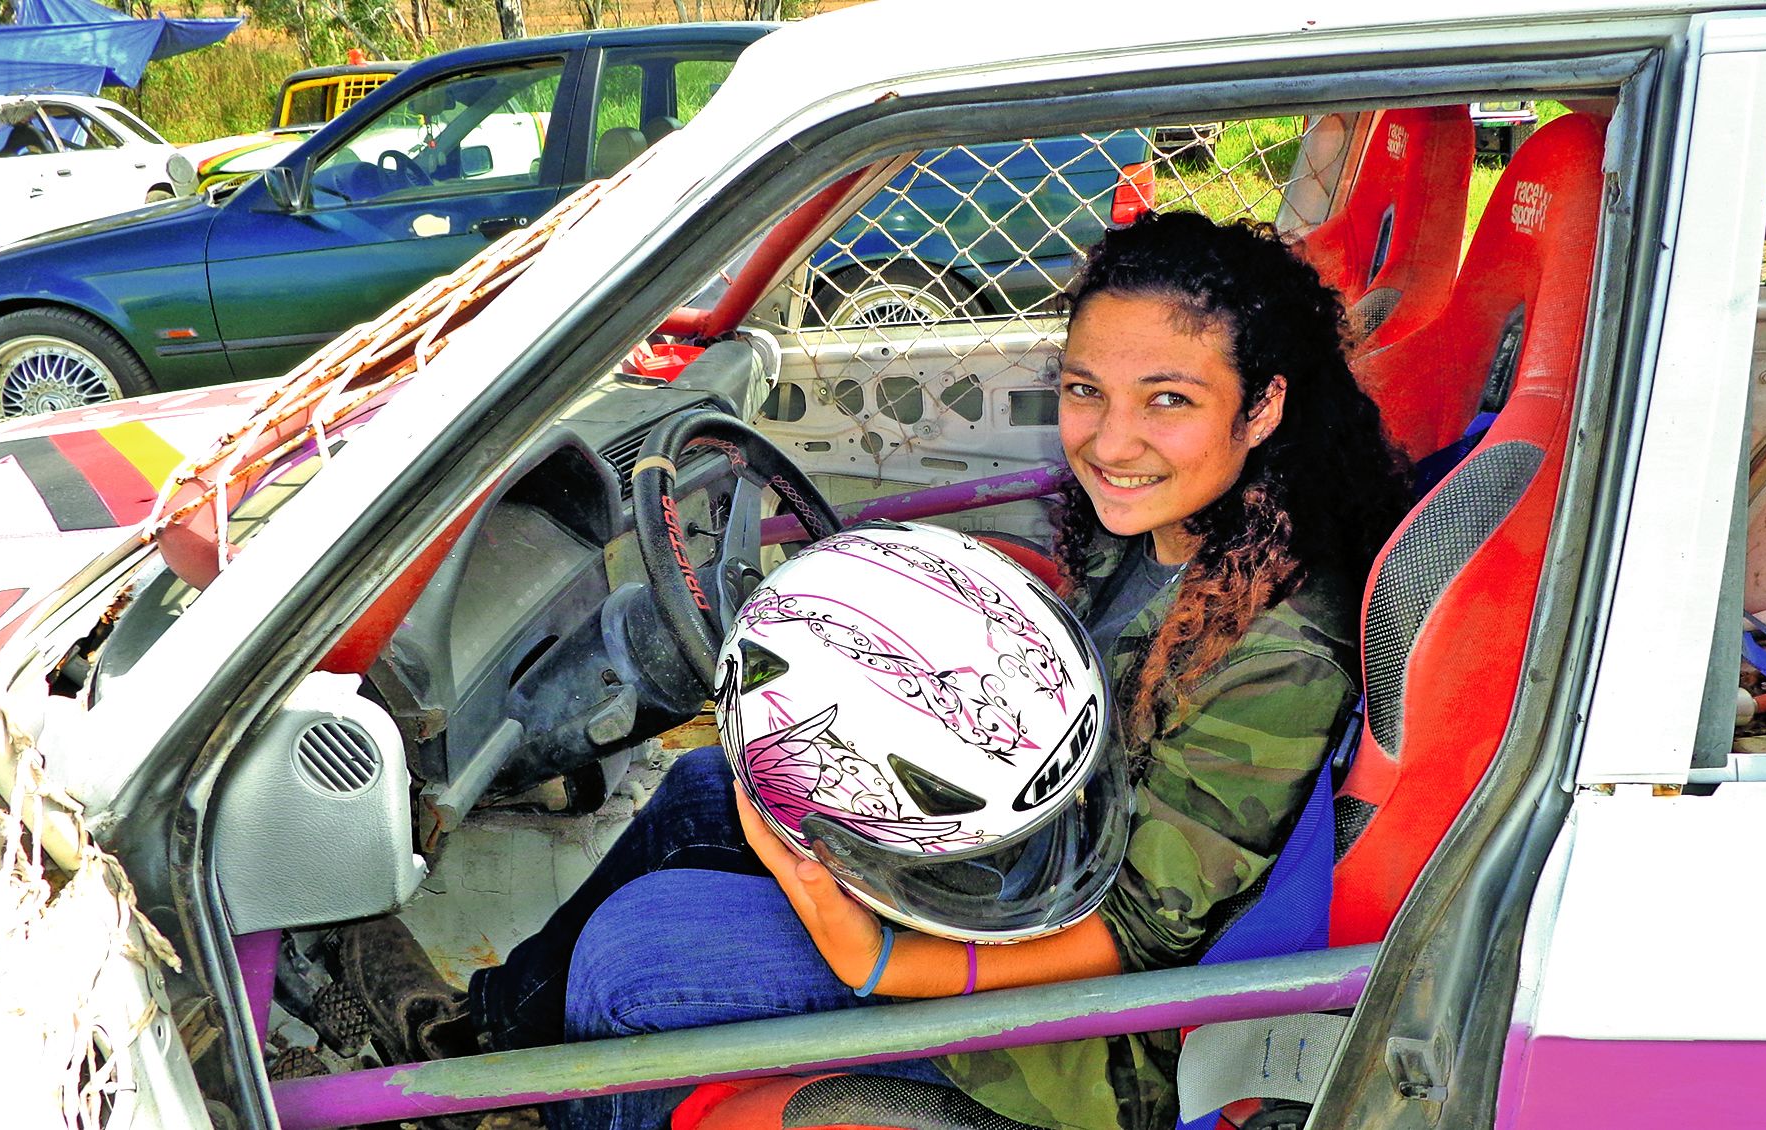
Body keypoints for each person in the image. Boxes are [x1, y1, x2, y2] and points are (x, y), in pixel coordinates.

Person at [463, 210, 1409, 1130]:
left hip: (1090, 1040)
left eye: (1169, 400)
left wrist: (878, 958)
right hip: (1026, 859)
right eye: (1085, 391)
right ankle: (486, 1046)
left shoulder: (1278, 650)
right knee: (706, 788)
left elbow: (1139, 935)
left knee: (637, 960)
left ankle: (581, 1106)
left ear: (1262, 406)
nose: (1111, 442)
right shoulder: (1164, 534)